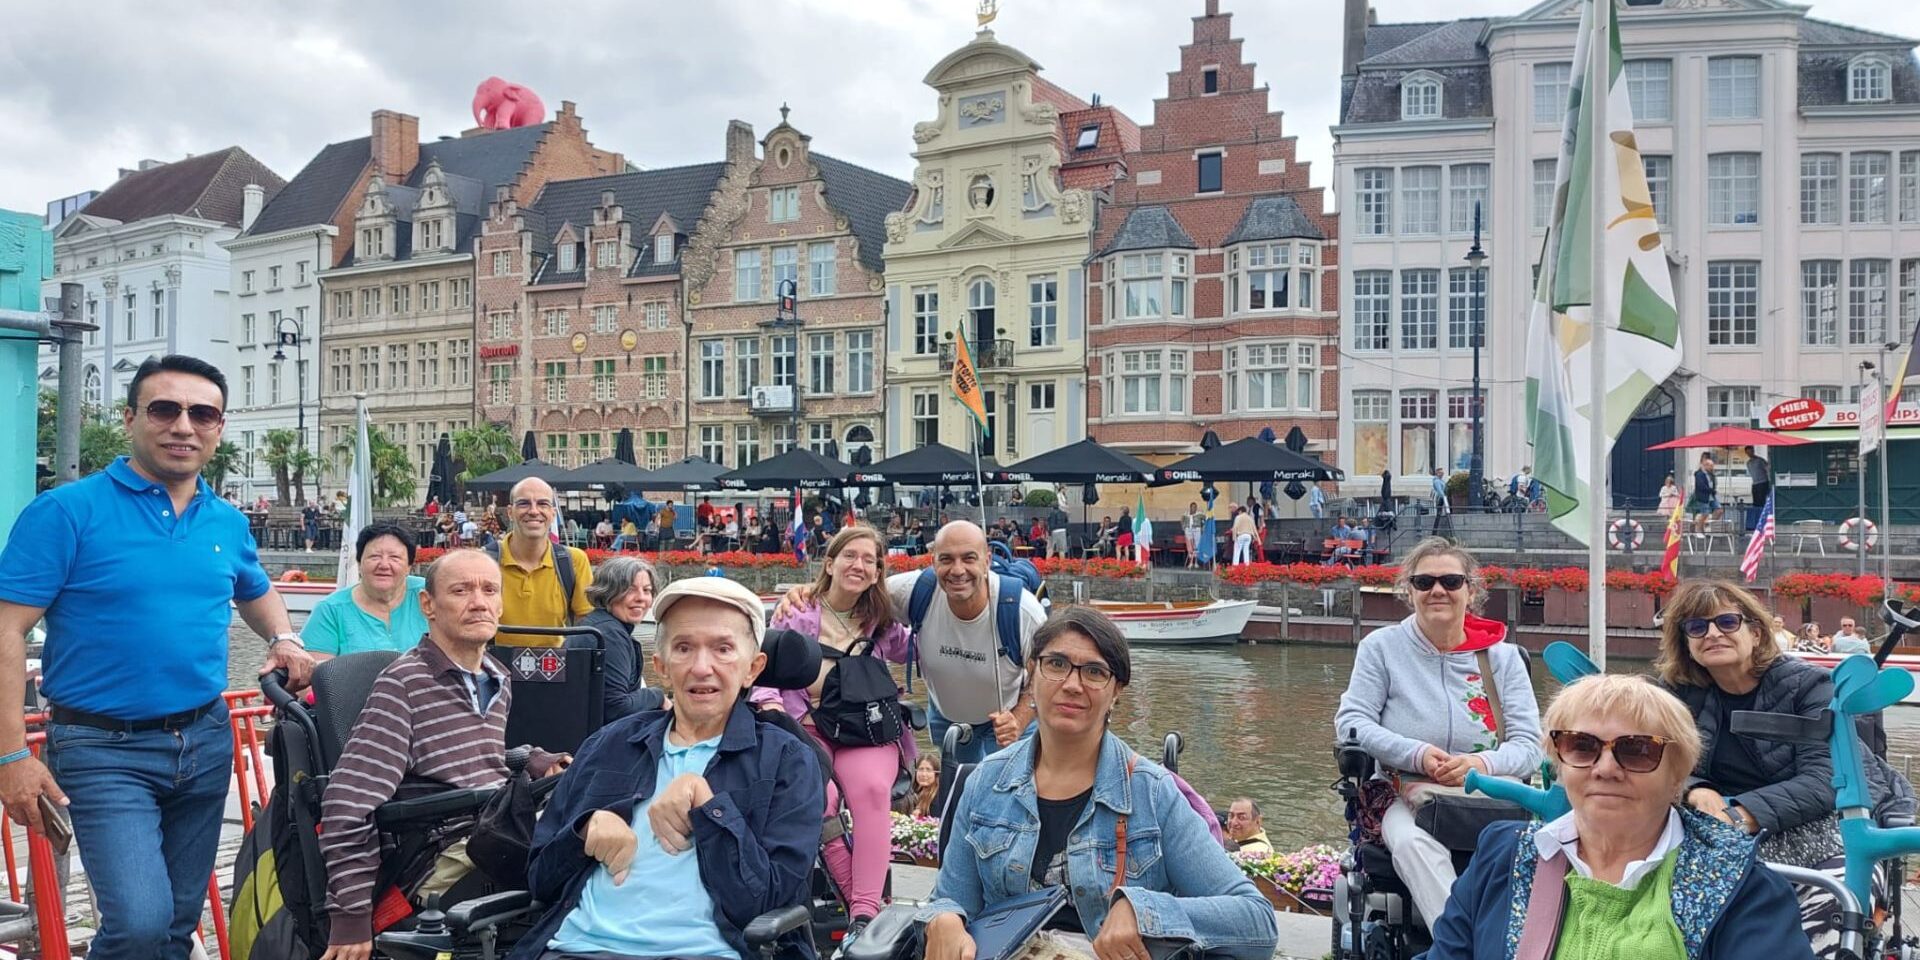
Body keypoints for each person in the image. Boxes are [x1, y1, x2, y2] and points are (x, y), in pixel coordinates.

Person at [0, 354, 314, 960]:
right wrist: (11, 754)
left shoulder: (223, 519)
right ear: (131, 419)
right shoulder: (66, 512)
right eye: (165, 409)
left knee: (174, 924)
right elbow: (6, 630)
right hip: (100, 749)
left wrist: (283, 637)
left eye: (203, 414)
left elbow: (253, 589)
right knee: (139, 924)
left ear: (219, 428)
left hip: (203, 740)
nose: (183, 426)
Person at [918, 607, 1278, 960]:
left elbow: (1256, 922)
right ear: (1031, 674)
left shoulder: (1151, 794)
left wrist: (1145, 911)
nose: (1072, 685)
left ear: (1116, 691)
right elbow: (952, 897)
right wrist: (946, 918)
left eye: (1094, 672)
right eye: (1056, 664)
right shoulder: (986, 782)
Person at [513, 577, 825, 960]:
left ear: (752, 668)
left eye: (723, 649)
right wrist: (584, 832)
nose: (701, 667)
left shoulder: (787, 760)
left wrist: (709, 808)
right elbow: (540, 881)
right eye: (683, 648)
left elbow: (765, 903)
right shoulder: (607, 745)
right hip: (576, 948)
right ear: (661, 666)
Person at [1421, 674, 1814, 960]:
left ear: (1678, 774)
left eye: (1637, 750)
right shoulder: (1502, 856)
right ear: (1559, 762)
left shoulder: (1744, 886)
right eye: (1581, 746)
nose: (1605, 768)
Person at [318, 550, 569, 959]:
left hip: (488, 827)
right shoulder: (403, 685)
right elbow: (347, 804)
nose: (479, 602)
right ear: (428, 605)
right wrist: (349, 919)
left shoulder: (496, 677)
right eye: (461, 590)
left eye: (490, 590)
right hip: (438, 854)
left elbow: (460, 759)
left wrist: (529, 758)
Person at [1656, 579, 1916, 957]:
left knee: (1829, 905)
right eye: (1697, 627)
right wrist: (1696, 787)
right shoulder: (1675, 693)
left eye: (1726, 622)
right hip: (1712, 832)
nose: (1712, 633)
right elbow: (1655, 761)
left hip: (1822, 830)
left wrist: (1739, 815)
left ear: (1755, 631)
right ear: (1686, 642)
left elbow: (1824, 779)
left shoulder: (1810, 686)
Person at [1333, 537, 1543, 928]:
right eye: (1424, 582)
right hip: (1406, 790)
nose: (1437, 591)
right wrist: (1416, 754)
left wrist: (1480, 763)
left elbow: (1531, 746)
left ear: (1471, 591)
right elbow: (1352, 722)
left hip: (1490, 794)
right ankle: (1462, 946)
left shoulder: (1504, 656)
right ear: (1408, 592)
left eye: (1450, 581)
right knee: (1413, 844)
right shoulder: (1382, 648)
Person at [752, 525, 912, 939]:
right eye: (849, 556)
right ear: (830, 563)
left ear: (878, 572)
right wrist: (770, 703)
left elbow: (918, 649)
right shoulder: (798, 610)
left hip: (864, 729)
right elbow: (765, 662)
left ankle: (864, 911)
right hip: (808, 726)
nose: (858, 565)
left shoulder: (881, 620)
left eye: (869, 560)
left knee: (872, 790)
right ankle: (864, 905)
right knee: (816, 796)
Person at [777, 521, 1045, 765]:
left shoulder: (1021, 610)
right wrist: (807, 593)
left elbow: (1046, 669)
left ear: (987, 560)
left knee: (1007, 797)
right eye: (946, 559)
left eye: (969, 558)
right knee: (956, 795)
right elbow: (854, 590)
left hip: (1005, 721)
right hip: (946, 716)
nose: (958, 570)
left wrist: (1020, 717)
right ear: (933, 561)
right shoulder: (913, 592)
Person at [304, 523, 430, 659]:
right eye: (374, 556)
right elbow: (320, 674)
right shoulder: (330, 610)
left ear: (409, 567)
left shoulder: (429, 594)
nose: (384, 565)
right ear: (359, 563)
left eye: (394, 558)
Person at [493, 477, 592, 638]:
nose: (533, 511)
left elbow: (584, 629)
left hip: (555, 661)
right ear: (510, 512)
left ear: (553, 514)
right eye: (524, 503)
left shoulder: (573, 561)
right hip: (493, 662)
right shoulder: (486, 561)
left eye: (542, 504)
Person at [574, 556, 667, 723]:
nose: (641, 598)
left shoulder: (596, 624)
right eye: (630, 590)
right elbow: (617, 709)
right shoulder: (610, 635)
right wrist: (657, 696)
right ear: (608, 591)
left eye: (646, 590)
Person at [1691, 453, 1720, 534]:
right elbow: (1701, 486)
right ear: (1706, 465)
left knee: (1719, 510)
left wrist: (1714, 489)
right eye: (1711, 466)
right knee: (1705, 513)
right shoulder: (1699, 474)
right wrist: (1711, 490)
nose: (1712, 468)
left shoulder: (1711, 474)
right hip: (1703, 496)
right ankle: (1699, 529)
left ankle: (1706, 523)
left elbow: (1713, 482)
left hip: (1712, 496)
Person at [1746, 444, 1773, 522]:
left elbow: (1767, 469)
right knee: (1755, 502)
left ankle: (1763, 518)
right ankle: (1756, 519)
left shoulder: (1760, 460)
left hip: (1762, 482)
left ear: (1753, 451)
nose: (1749, 454)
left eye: (1750, 452)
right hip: (1755, 483)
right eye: (1747, 452)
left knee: (1762, 501)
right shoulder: (1748, 463)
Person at [1183, 501, 1204, 569]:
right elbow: (1182, 521)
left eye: (1195, 507)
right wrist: (1184, 528)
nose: (1194, 509)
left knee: (1196, 546)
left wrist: (1202, 528)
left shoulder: (1200, 514)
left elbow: (1205, 520)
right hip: (1188, 530)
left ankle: (1196, 562)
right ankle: (1190, 562)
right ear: (1190, 507)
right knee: (1190, 547)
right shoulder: (1186, 515)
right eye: (1193, 507)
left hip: (1197, 529)